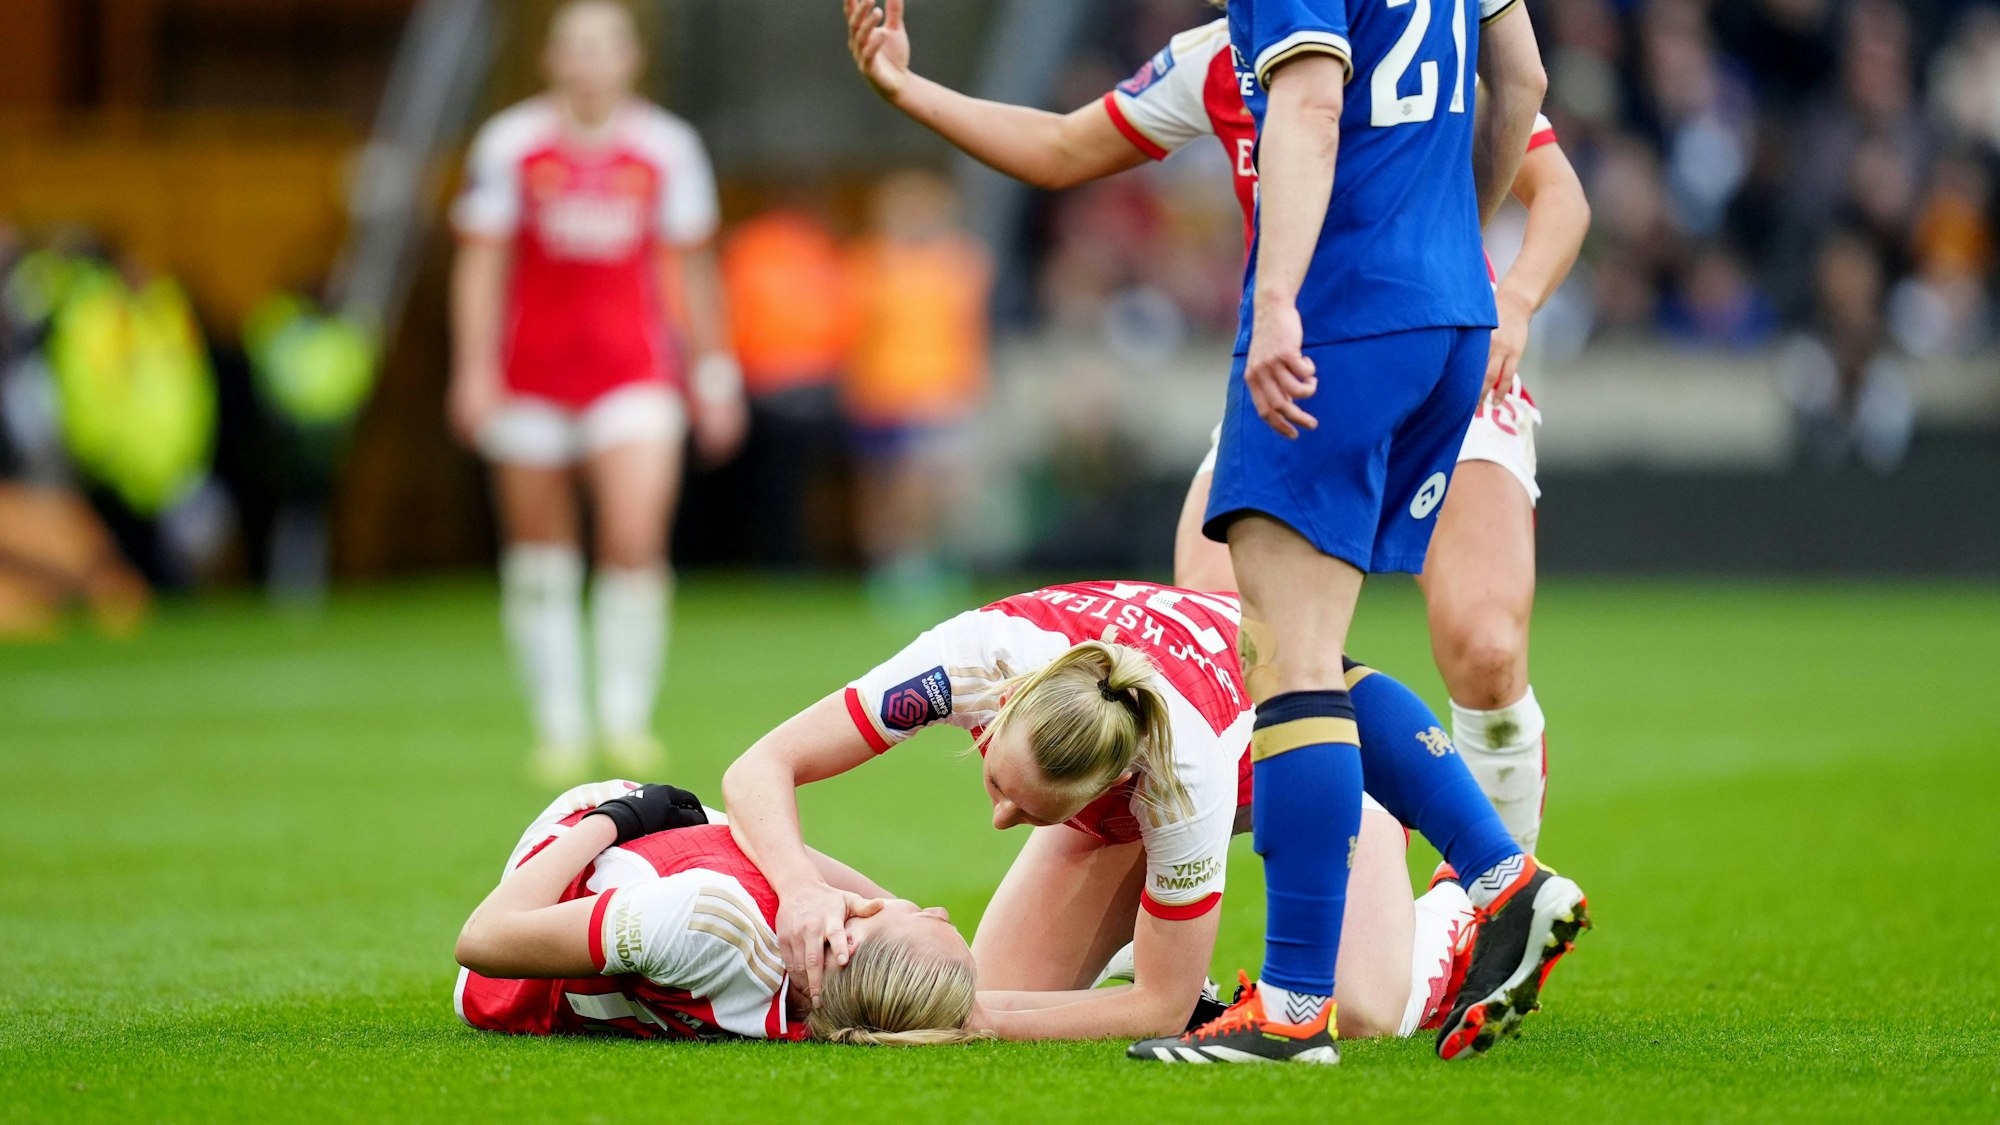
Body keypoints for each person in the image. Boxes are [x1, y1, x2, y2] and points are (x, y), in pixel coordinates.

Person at [842, 0, 1586, 862]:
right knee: (1213, 645)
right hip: (1306, 367)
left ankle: (1493, 892)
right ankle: (1181, 930)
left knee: (1483, 646)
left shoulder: (1400, 31)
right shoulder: (1219, 57)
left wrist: (1511, 295)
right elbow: (1058, 147)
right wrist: (906, 87)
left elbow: (1555, 186)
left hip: (1428, 351)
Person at [722, 579, 1574, 1049]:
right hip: (1126, 771)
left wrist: (984, 1025)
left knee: (1359, 1014)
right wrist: (797, 886)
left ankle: (1453, 909)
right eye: (997, 779)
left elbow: (1157, 1011)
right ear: (1009, 699)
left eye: (1029, 808)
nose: (999, 817)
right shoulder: (964, 660)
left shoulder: (1181, 771)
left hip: (1324, 774)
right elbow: (761, 766)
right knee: (1002, 985)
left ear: (1113, 779)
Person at [448, 0, 748, 787]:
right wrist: (473, 368)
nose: (589, 61)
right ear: (553, 59)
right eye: (575, 47)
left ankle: (625, 719)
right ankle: (559, 726)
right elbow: (482, 263)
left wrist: (714, 373)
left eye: (604, 46)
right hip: (531, 375)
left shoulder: (667, 148)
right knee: (540, 551)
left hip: (634, 370)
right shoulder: (511, 144)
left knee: (633, 536)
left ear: (629, 60)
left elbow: (691, 267)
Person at [454, 780, 982, 1045]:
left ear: (846, 946)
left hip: (544, 899)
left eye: (927, 921)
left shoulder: (710, 921)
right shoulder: (830, 986)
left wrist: (618, 817)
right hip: (660, 899)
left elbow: (482, 942)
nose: (936, 908)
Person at [840, 171, 991, 609]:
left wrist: (967, 384)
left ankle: (922, 561)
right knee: (883, 488)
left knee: (928, 485)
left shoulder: (960, 262)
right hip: (880, 390)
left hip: (939, 390)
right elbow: (855, 328)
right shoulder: (869, 262)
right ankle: (888, 566)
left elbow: (969, 328)